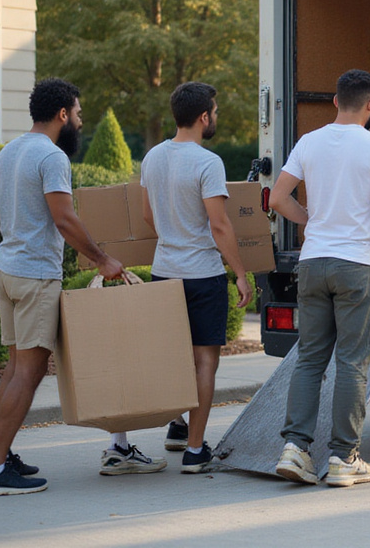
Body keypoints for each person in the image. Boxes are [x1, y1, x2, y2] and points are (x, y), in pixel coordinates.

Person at [0, 78, 137, 496]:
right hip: (33, 276)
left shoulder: (8, 151)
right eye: (79, 114)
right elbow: (64, 219)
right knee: (27, 375)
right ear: (63, 114)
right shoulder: (51, 156)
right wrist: (103, 260)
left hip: (6, 268)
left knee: (13, 369)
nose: (80, 123)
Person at [269, 69, 370, 487]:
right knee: (352, 362)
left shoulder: (309, 142)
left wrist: (310, 220)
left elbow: (276, 198)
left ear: (334, 101)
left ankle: (295, 450)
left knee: (310, 358)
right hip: (355, 266)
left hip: (312, 263)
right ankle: (345, 457)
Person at [139, 82, 253, 473]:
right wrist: (240, 274)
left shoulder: (152, 158)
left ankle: (177, 426)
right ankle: (194, 449)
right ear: (204, 117)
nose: (215, 118)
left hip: (163, 271)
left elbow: (147, 216)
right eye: (215, 112)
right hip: (202, 274)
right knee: (205, 361)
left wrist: (173, 237)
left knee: (176, 358)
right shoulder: (208, 162)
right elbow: (219, 226)